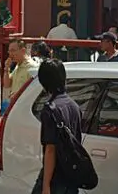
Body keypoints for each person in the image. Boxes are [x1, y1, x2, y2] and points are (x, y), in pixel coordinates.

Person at [33, 58, 83, 194]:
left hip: (56, 179)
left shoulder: (50, 110)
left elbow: (50, 149)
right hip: (71, 176)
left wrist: (46, 185)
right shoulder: (74, 107)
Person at [6, 40, 40, 105]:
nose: (10, 54)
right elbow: (7, 84)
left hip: (24, 106)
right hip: (15, 105)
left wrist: (18, 96)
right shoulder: (18, 65)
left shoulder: (32, 67)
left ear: (23, 51)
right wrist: (6, 68)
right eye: (9, 51)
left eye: (13, 50)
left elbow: (35, 91)